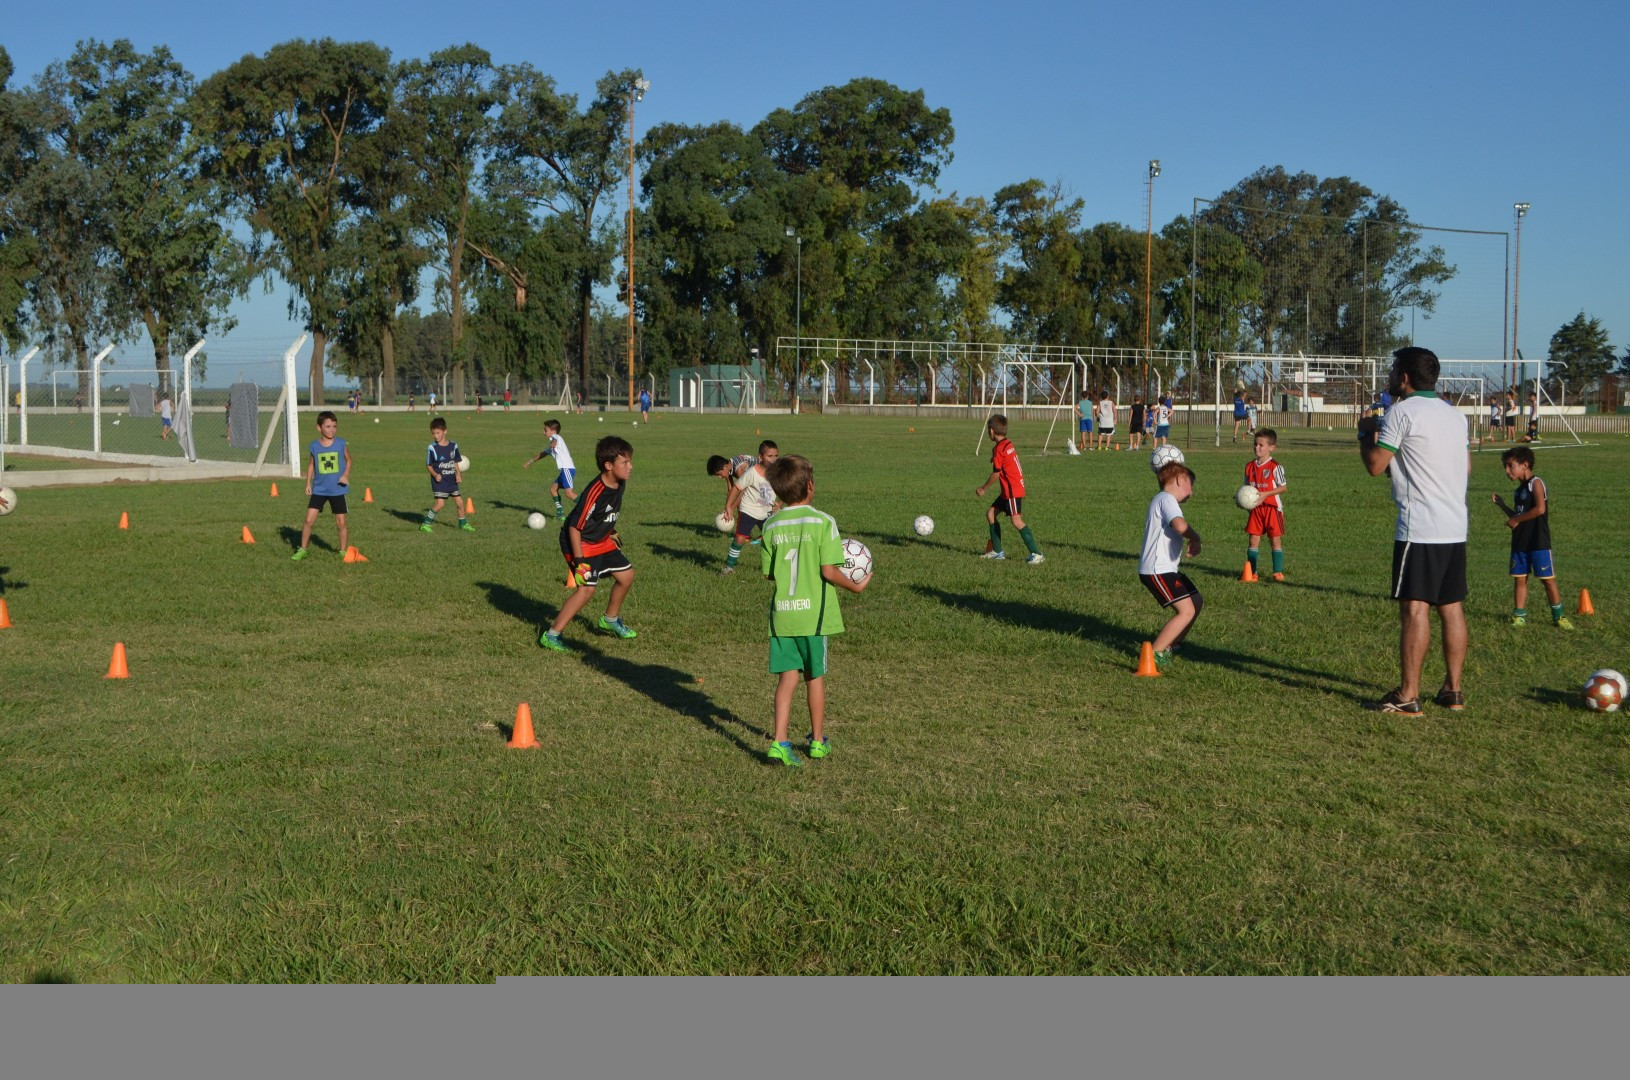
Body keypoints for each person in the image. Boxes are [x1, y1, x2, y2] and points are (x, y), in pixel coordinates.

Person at [1357, 346, 1471, 713]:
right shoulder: (1455, 416)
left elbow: (1376, 465)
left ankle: (1408, 696)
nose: (1390, 376)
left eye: (1393, 371)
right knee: (1451, 608)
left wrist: (1365, 433)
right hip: (1455, 526)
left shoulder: (1401, 412)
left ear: (1404, 378)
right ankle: (1453, 690)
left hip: (1420, 528)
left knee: (1415, 609)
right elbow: (1465, 468)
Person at [758, 454, 871, 767]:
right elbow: (828, 571)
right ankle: (818, 742)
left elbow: (770, 574)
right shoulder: (823, 522)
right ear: (810, 486)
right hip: (813, 616)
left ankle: (779, 742)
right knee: (814, 677)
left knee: (786, 679)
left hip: (783, 615)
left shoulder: (771, 524)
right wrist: (855, 586)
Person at [539, 436, 637, 652]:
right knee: (586, 590)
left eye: (630, 461)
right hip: (579, 542)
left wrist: (610, 531)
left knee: (627, 575)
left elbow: (604, 513)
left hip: (600, 539)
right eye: (625, 462)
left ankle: (610, 619)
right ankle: (551, 635)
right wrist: (580, 561)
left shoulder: (620, 482)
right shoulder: (595, 492)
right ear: (608, 466)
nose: (630, 467)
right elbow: (575, 527)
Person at [1492, 446, 1573, 630]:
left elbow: (1540, 509)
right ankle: (1519, 616)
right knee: (1520, 579)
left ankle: (1559, 616)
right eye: (1505, 467)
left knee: (1547, 579)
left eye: (1510, 466)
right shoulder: (1518, 490)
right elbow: (1518, 516)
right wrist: (1503, 506)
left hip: (1538, 541)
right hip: (1520, 542)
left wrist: (1516, 520)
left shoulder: (1536, 483)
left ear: (1525, 464)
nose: (1507, 471)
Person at [1138, 461, 1204, 672]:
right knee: (1186, 611)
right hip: (1157, 569)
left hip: (1166, 568)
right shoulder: (1166, 499)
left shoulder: (1163, 499)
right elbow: (1179, 525)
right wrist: (1195, 538)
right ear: (1179, 480)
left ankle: (1172, 644)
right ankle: (1155, 654)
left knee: (1196, 601)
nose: (1192, 493)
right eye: (1190, 485)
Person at [975, 415, 1043, 564]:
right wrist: (995, 459)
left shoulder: (999, 449)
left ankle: (1037, 553)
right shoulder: (1007, 444)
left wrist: (983, 488)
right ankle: (997, 551)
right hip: (1011, 488)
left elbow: (996, 473)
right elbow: (1005, 461)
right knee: (990, 514)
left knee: (1016, 520)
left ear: (992, 431)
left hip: (1012, 490)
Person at [292, 411, 352, 561]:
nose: (332, 430)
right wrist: (308, 483)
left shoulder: (341, 444)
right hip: (319, 489)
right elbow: (311, 465)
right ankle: (303, 549)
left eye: (334, 426)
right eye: (328, 426)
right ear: (319, 428)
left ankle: (342, 551)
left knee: (341, 522)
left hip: (337, 489)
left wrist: (345, 475)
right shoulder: (314, 446)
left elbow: (349, 461)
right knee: (308, 520)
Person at [720, 440, 780, 575]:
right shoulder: (752, 472)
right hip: (749, 510)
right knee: (740, 539)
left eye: (776, 456)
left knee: (775, 539)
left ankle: (777, 568)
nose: (773, 459)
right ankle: (729, 567)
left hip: (767, 512)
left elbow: (786, 489)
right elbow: (736, 487)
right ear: (760, 457)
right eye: (769, 456)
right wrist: (728, 507)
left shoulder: (777, 473)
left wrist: (779, 504)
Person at [1243, 428, 1288, 581]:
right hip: (1256, 510)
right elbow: (1246, 489)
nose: (1257, 447)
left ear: (1271, 447)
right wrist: (1242, 500)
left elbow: (1283, 487)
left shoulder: (1275, 466)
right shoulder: (1249, 466)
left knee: (1275, 540)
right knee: (1253, 540)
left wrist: (1266, 495)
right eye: (1255, 444)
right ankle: (1252, 573)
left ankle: (1277, 572)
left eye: (1261, 445)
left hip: (1272, 509)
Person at [420, 417, 474, 533]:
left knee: (460, 502)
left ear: (445, 431)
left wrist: (458, 474)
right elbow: (428, 465)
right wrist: (435, 475)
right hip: (439, 481)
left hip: (451, 479)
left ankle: (463, 524)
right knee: (440, 504)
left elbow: (455, 461)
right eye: (433, 433)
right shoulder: (432, 448)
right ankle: (425, 524)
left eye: (438, 433)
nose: (435, 436)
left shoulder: (453, 446)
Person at [523, 419, 577, 521]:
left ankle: (589, 508)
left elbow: (555, 439)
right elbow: (541, 454)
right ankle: (560, 514)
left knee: (569, 493)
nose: (544, 432)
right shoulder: (552, 447)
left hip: (567, 469)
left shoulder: (557, 438)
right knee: (553, 489)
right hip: (564, 471)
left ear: (553, 431)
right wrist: (529, 462)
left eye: (545, 430)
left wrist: (553, 442)